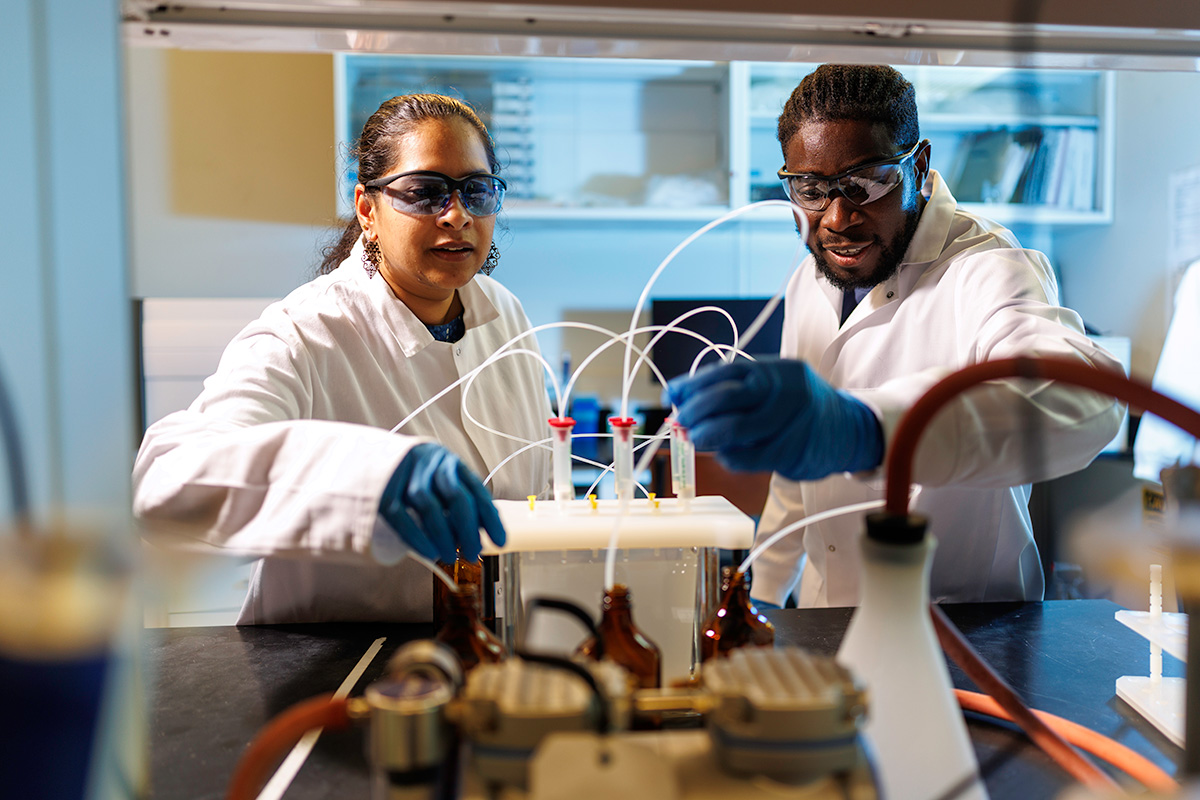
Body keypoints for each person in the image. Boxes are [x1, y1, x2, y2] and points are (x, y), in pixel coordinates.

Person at [667, 65, 1124, 608]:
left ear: (920, 166)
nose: (837, 218)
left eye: (866, 183)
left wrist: (866, 427)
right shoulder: (810, 279)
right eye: (810, 190)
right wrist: (763, 599)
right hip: (825, 620)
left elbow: (1086, 398)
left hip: (967, 629)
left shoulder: (988, 266)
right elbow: (797, 481)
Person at [133, 94, 551, 624]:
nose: (456, 215)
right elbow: (166, 483)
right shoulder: (303, 334)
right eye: (425, 193)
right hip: (331, 670)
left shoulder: (504, 315)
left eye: (476, 191)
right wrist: (371, 475)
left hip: (479, 652)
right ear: (366, 209)